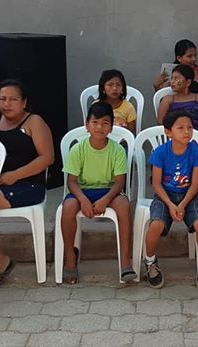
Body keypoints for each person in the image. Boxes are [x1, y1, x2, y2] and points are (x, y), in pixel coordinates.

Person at [60, 101, 135, 284]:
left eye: (105, 123)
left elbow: (119, 183)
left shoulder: (117, 150)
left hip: (108, 190)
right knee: (68, 207)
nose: (99, 127)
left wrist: (105, 200)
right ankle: (70, 257)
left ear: (111, 127)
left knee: (124, 204)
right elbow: (71, 182)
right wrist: (83, 199)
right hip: (82, 190)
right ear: (87, 125)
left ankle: (125, 261)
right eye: (94, 122)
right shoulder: (78, 149)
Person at [0, 80, 54, 282]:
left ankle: (0, 261)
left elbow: (47, 158)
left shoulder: (34, 122)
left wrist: (15, 175)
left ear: (24, 102)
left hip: (27, 185)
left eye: (13, 99)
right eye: (3, 99)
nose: (7, 104)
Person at [144, 110, 198, 288]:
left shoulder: (196, 152)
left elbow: (195, 184)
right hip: (164, 197)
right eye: (180, 128)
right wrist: (170, 204)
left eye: (190, 127)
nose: (187, 131)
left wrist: (181, 205)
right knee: (155, 225)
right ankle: (150, 262)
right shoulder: (160, 153)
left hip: (189, 197)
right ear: (168, 132)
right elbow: (156, 184)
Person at [156, 64, 198, 135]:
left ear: (188, 82)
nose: (172, 82)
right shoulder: (167, 100)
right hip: (175, 137)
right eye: (172, 78)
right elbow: (160, 122)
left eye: (176, 78)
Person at [96, 69, 137, 134]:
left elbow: (132, 132)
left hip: (122, 139)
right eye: (110, 85)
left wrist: (122, 129)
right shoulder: (96, 106)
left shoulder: (128, 107)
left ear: (123, 89)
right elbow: (92, 127)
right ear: (103, 89)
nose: (114, 88)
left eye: (118, 85)